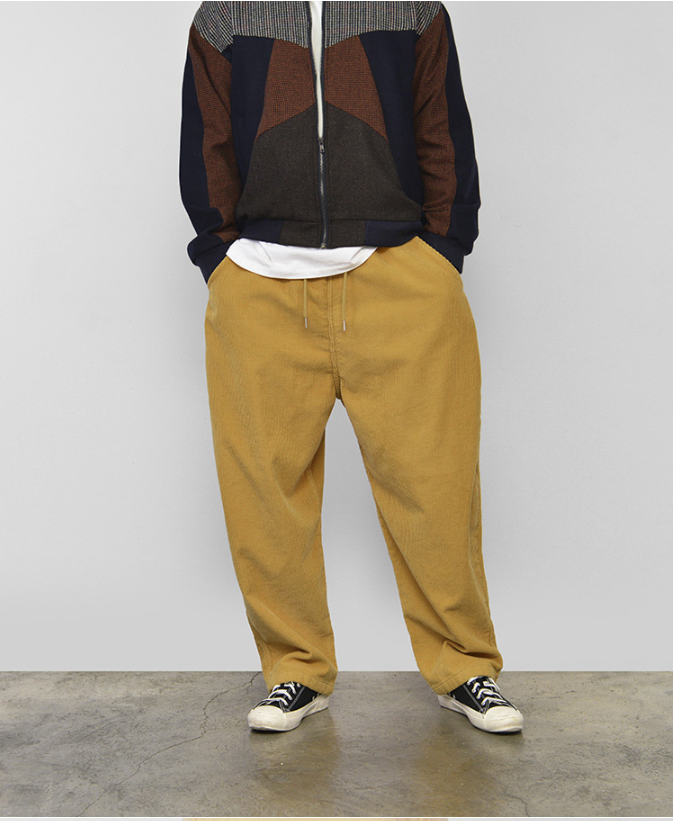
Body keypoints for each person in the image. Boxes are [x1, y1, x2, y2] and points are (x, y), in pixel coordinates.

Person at [179, 0, 524, 735]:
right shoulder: (226, 16)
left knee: (433, 484)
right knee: (263, 491)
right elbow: (205, 140)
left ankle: (465, 666)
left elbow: (442, 130)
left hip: (400, 274)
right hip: (260, 283)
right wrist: (220, 255)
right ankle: (294, 671)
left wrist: (443, 250)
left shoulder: (411, 10)